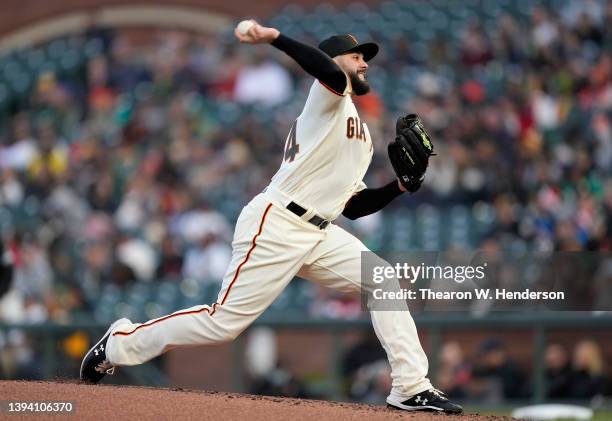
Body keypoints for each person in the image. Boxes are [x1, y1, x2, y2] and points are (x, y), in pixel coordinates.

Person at [80, 20, 462, 414]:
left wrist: (399, 187)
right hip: (277, 221)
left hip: (320, 230)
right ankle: (120, 342)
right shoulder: (328, 96)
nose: (364, 63)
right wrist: (275, 38)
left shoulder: (361, 137)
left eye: (366, 58)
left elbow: (354, 205)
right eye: (356, 56)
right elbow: (328, 72)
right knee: (223, 324)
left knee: (382, 280)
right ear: (333, 61)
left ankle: (411, 386)